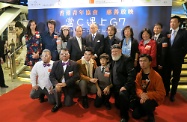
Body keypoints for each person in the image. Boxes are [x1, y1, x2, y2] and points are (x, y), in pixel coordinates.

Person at [132, 54, 165, 122]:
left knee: (146, 104)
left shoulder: (157, 76)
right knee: (135, 115)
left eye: (145, 61)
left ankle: (151, 117)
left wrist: (147, 95)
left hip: (152, 98)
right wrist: (141, 94)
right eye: (140, 61)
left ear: (150, 62)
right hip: (142, 97)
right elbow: (137, 87)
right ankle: (145, 108)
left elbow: (161, 93)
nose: (142, 63)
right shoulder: (139, 75)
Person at [109, 44, 136, 122]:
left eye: (116, 51)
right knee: (118, 105)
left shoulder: (127, 59)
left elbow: (131, 75)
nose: (114, 53)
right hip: (115, 87)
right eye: (112, 51)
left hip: (124, 86)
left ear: (120, 51)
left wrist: (126, 87)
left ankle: (125, 116)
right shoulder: (113, 59)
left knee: (122, 95)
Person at [50, 48, 79, 112]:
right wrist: (56, 84)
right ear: (60, 55)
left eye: (66, 54)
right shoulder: (55, 63)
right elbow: (51, 76)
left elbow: (76, 76)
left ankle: (70, 97)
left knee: (68, 104)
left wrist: (66, 83)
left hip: (69, 85)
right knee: (56, 89)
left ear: (69, 55)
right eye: (62, 54)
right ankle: (58, 104)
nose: (64, 55)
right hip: (59, 84)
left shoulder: (74, 64)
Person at [165, 16, 187, 101]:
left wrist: (180, 55)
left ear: (179, 23)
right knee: (166, 77)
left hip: (177, 60)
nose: (172, 23)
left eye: (174, 22)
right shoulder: (168, 32)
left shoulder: (184, 33)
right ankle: (166, 91)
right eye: (171, 22)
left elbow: (185, 47)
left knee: (176, 78)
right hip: (167, 60)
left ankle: (173, 94)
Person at [152, 23, 169, 87]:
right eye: (155, 28)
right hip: (153, 62)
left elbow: (164, 52)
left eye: (158, 28)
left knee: (160, 77)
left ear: (161, 29)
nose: (156, 29)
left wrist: (161, 64)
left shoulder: (164, 39)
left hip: (159, 62)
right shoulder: (152, 37)